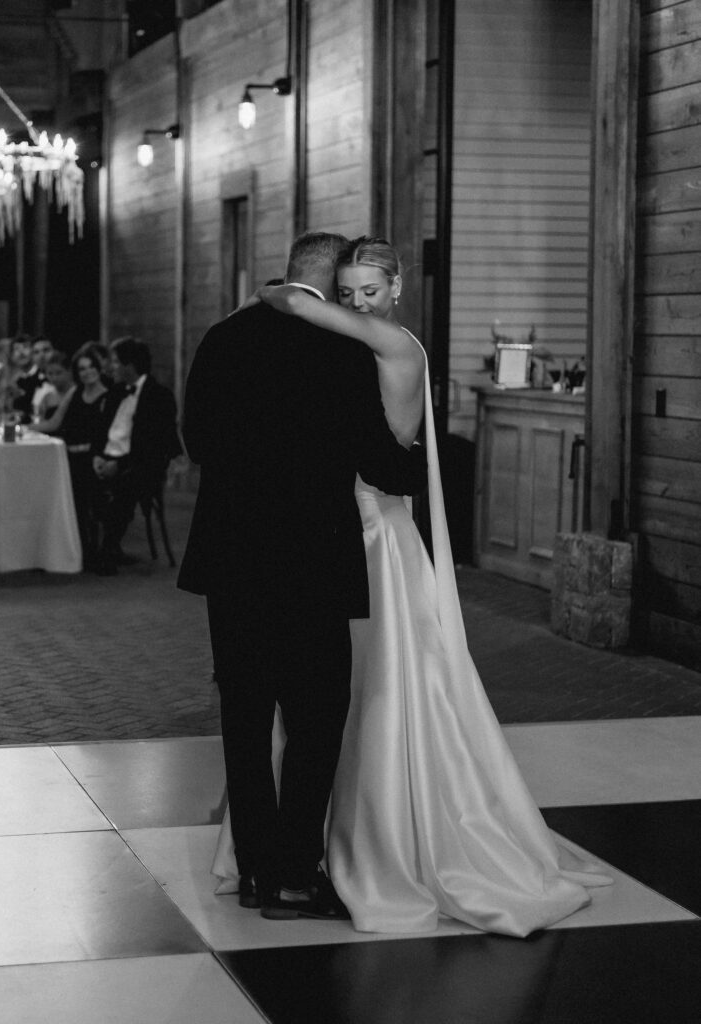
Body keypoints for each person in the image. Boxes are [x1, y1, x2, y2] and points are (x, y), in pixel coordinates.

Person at [212, 236, 613, 937]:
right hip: (333, 538)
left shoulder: (393, 347)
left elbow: (367, 452)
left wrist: (282, 296)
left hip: (364, 536)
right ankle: (294, 858)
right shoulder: (340, 345)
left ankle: (327, 847)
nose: (360, 302)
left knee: (355, 695)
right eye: (348, 292)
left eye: (372, 289)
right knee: (318, 702)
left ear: (397, 288)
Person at [178, 232, 428, 921]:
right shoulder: (343, 349)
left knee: (246, 717)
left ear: (290, 275)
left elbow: (195, 437)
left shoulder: (222, 337)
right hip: (312, 562)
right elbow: (377, 459)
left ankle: (257, 870)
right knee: (317, 720)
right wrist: (423, 466)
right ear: (328, 284)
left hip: (230, 559)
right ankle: (294, 874)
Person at [91, 336, 182, 575]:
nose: (110, 367)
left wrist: (118, 465)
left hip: (140, 465)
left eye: (114, 362)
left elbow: (154, 446)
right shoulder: (115, 393)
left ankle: (107, 551)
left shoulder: (158, 396)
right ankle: (86, 548)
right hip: (108, 459)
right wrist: (98, 457)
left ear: (129, 365)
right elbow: (101, 433)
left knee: (125, 485)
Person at [32, 343, 110, 567]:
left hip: (92, 457)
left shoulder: (108, 395)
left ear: (98, 368)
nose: (87, 372)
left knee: (79, 485)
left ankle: (89, 550)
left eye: (91, 367)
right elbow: (54, 422)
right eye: (82, 369)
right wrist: (21, 428)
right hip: (70, 456)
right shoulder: (76, 392)